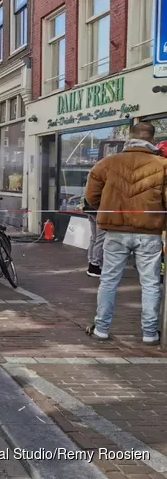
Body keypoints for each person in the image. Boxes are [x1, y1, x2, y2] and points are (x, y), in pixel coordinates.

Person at [85, 122, 167, 346]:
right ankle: (149, 333)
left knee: (109, 280)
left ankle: (101, 328)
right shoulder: (162, 165)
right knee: (150, 283)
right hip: (149, 231)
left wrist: (110, 207)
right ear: (151, 138)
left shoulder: (108, 163)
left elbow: (91, 195)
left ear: (129, 138)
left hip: (115, 231)